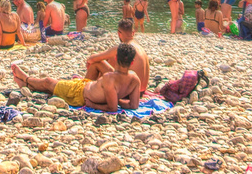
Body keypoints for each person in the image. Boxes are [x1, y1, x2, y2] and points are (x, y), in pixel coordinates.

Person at [12, 44, 141, 112]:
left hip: (80, 93)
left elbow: (112, 108)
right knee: (54, 89)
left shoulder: (109, 78)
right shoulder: (135, 79)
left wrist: (93, 105)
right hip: (85, 86)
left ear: (116, 58)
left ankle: (26, 79)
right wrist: (117, 99)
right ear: (132, 62)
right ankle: (27, 86)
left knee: (48, 82)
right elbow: (134, 105)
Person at [86, 19, 149, 93]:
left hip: (129, 92)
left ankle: (85, 90)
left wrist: (92, 62)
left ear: (119, 33)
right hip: (140, 91)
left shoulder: (124, 47)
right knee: (110, 60)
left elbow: (91, 59)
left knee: (97, 63)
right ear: (133, 32)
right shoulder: (140, 48)